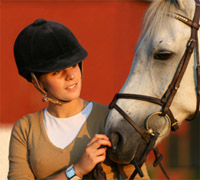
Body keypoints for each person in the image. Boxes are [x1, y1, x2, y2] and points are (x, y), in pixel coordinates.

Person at [8, 18, 150, 180]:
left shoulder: (110, 119)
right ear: (37, 81)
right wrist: (76, 170)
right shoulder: (25, 129)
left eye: (74, 65)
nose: (71, 76)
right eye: (57, 72)